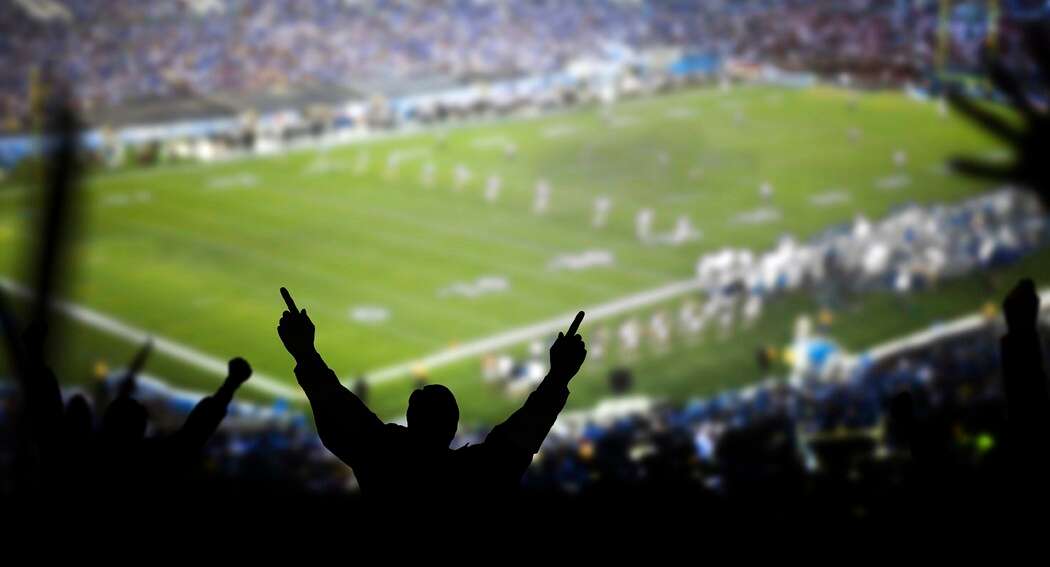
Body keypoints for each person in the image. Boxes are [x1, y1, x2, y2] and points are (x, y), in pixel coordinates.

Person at [277, 287, 587, 504]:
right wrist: (559, 374)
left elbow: (339, 417)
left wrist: (305, 353)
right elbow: (522, 435)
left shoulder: (383, 461)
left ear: (410, 421)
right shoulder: (477, 474)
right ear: (453, 426)